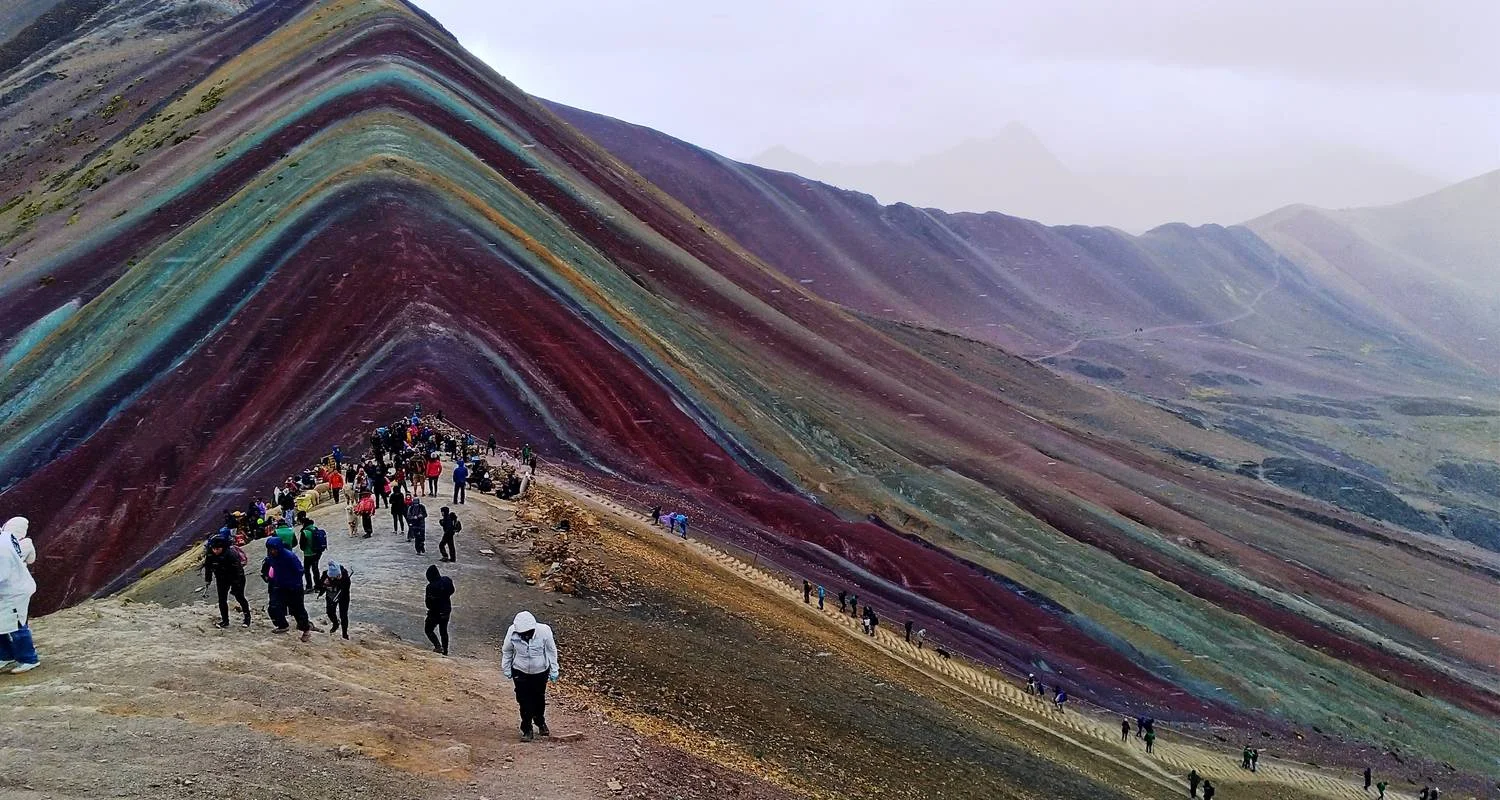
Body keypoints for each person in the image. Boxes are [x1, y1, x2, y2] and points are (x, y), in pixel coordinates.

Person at [501, 610, 559, 742]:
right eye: (523, 634)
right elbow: (507, 651)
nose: (526, 636)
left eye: (529, 633)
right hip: (520, 670)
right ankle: (527, 728)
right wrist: (506, 668)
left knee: (538, 699)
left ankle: (540, 721)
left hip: (540, 670)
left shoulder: (544, 631)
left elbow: (551, 651)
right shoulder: (512, 632)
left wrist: (554, 669)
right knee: (524, 700)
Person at [0, 517, 40, 673]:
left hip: (14, 591)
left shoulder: (3, 548)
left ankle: (29, 659)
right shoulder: (5, 537)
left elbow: (2, 573)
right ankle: (5, 656)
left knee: (17, 625)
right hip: (6, 591)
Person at [262, 537, 311, 641]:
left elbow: (300, 570)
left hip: (294, 587)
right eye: (270, 549)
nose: (272, 551)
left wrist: (292, 582)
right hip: (279, 586)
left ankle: (305, 629)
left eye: (274, 549)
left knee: (298, 609)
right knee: (273, 606)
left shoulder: (290, 556)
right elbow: (270, 567)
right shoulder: (271, 557)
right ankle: (282, 625)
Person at [203, 534, 251, 628]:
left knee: (239, 597)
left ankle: (247, 618)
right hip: (221, 578)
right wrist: (208, 579)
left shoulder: (231, 554)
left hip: (236, 577)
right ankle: (225, 620)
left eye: (218, 549)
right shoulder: (210, 554)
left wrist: (236, 585)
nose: (215, 551)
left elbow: (238, 571)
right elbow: (208, 567)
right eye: (214, 549)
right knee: (222, 600)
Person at [424, 565, 454, 655]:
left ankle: (438, 646)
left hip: (435, 612)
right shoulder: (447, 580)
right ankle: (445, 650)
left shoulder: (430, 587)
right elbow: (452, 591)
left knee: (428, 629)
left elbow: (428, 604)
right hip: (446, 610)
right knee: (443, 631)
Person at [318, 562, 352, 639]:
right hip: (330, 596)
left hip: (343, 596)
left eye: (335, 577)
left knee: (343, 615)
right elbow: (318, 585)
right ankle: (335, 623)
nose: (332, 578)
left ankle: (344, 634)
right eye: (331, 577)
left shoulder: (344, 575)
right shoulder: (325, 574)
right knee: (330, 612)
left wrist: (337, 581)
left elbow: (346, 587)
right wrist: (323, 584)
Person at [299, 522, 326, 591]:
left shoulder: (305, 532)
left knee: (307, 570)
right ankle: (318, 586)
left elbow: (302, 546)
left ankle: (309, 586)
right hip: (317, 554)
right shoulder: (315, 529)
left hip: (308, 554)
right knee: (315, 569)